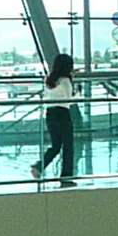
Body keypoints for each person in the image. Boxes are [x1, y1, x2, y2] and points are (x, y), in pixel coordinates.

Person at [31, 52, 79, 185]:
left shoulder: (49, 80)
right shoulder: (65, 80)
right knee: (68, 147)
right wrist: (78, 93)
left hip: (50, 113)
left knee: (56, 145)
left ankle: (39, 166)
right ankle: (66, 177)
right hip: (62, 113)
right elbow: (69, 99)